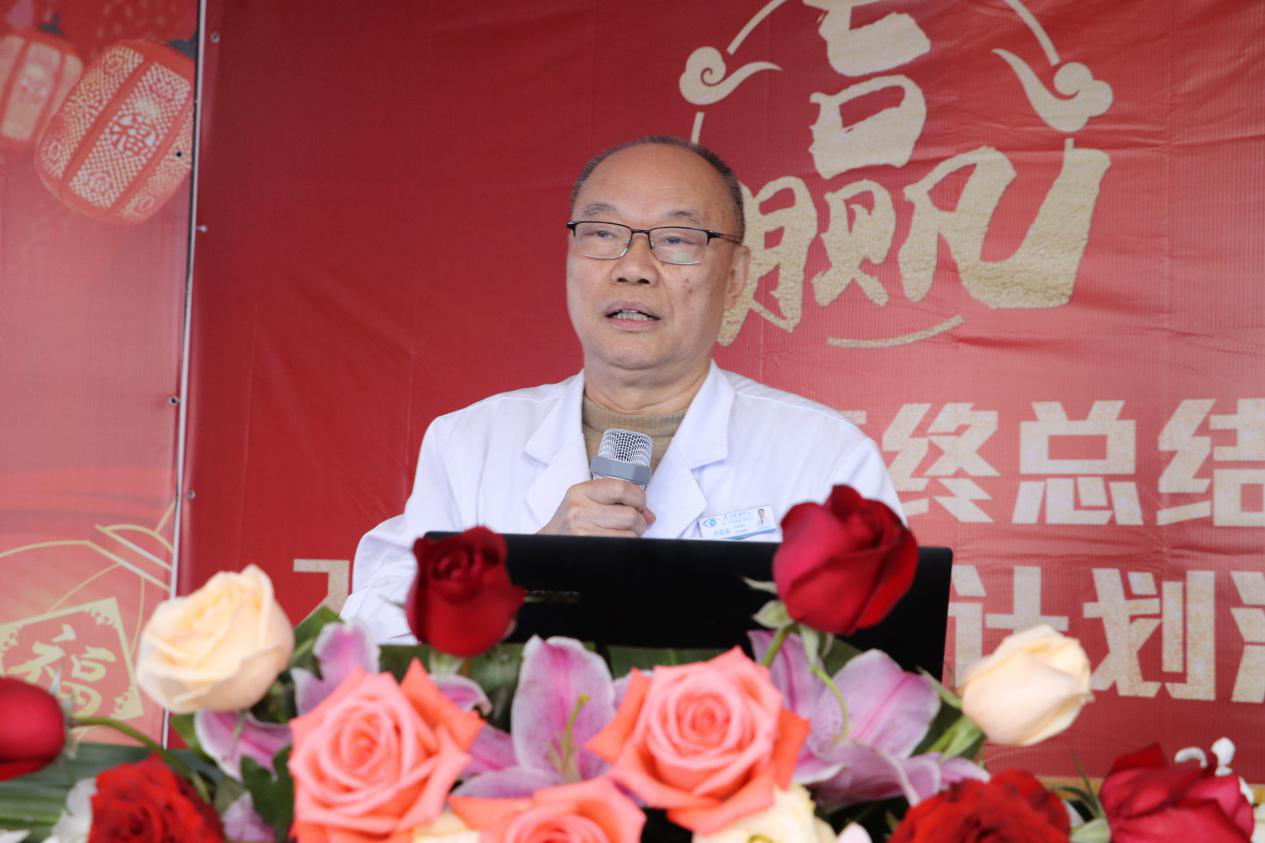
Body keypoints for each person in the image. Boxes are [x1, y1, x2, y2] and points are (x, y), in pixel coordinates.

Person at [341, 136, 903, 641]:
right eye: (603, 234)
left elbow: (878, 661)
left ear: (734, 278)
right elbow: (371, 630)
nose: (633, 267)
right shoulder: (470, 442)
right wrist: (532, 567)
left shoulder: (824, 454)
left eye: (676, 239)